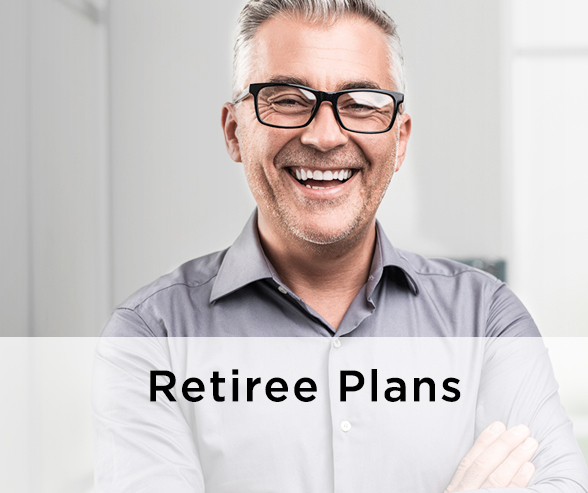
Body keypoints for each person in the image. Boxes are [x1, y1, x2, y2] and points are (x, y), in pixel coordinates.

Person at [93, 1, 588, 492]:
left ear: (400, 141)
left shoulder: (487, 319)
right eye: (287, 99)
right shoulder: (149, 337)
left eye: (360, 104)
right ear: (234, 132)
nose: (325, 136)